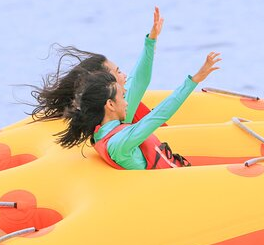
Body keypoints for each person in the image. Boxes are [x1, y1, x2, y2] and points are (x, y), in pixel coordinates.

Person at [56, 52, 222, 169]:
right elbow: (157, 116)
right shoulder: (118, 143)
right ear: (110, 105)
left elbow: (138, 81)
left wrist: (151, 41)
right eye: (122, 96)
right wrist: (194, 80)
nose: (127, 102)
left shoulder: (104, 133)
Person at [28, 6, 164, 124]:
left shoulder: (89, 110)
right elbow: (140, 79)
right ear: (104, 81)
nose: (124, 75)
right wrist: (151, 41)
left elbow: (136, 76)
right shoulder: (119, 106)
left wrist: (151, 42)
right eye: (118, 72)